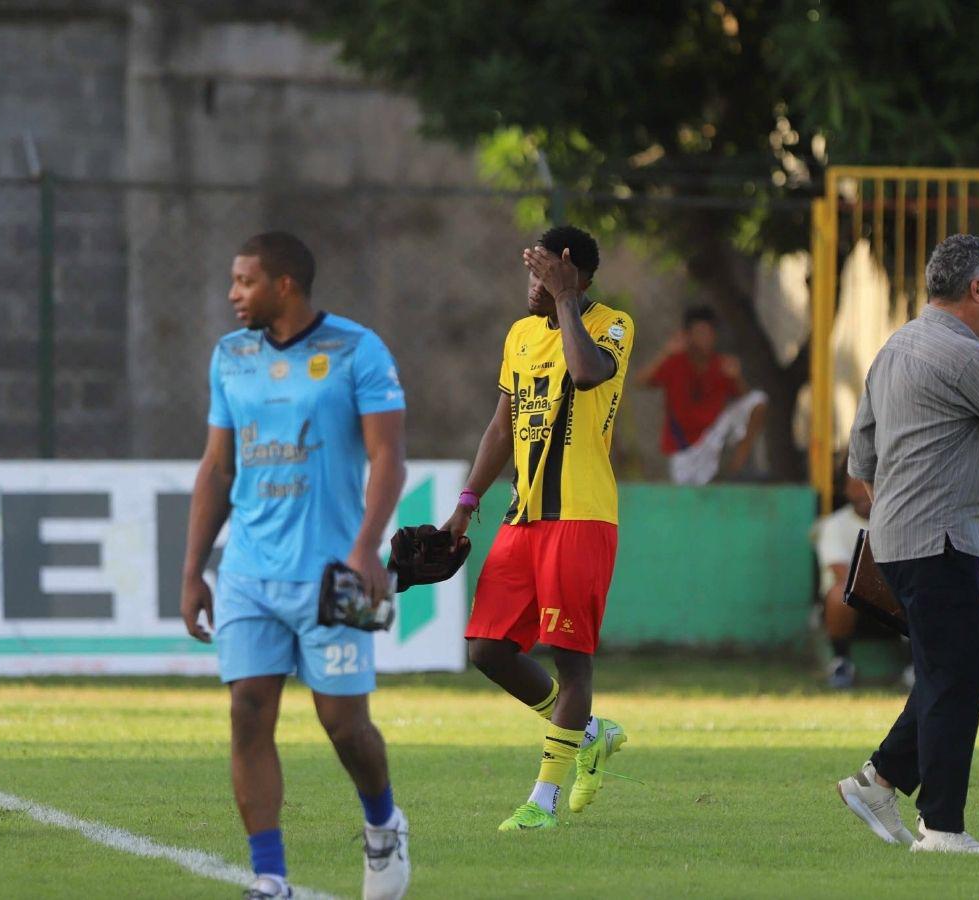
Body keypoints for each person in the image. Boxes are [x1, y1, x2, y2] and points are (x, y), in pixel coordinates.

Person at [179, 232, 409, 900]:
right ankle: (269, 877)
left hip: (336, 572)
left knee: (344, 725)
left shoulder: (357, 351)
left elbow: (389, 457)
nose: (232, 294)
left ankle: (383, 823)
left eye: (244, 281)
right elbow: (218, 467)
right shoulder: (230, 356)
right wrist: (195, 569)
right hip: (249, 570)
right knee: (248, 712)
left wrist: (367, 546)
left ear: (284, 285)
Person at [837, 235, 979, 855]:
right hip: (939, 541)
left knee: (956, 665)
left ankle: (879, 781)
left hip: (899, 539)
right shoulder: (966, 355)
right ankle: (942, 827)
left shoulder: (897, 344)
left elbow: (861, 450)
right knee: (958, 669)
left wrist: (896, 503)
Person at [441, 225, 632, 831]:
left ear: (573, 274)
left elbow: (584, 374)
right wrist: (467, 504)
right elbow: (502, 428)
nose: (533, 284)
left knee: (572, 662)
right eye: (532, 272)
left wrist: (567, 298)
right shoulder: (521, 334)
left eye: (545, 272)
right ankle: (588, 731)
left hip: (581, 517)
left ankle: (543, 802)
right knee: (487, 648)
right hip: (523, 518)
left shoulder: (613, 325)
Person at [637, 306, 767, 484]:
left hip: (713, 437)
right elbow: (641, 382)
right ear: (688, 336)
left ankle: (735, 467)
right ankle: (712, 475)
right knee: (689, 493)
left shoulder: (721, 365)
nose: (705, 339)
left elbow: (745, 400)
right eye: (700, 333)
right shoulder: (675, 362)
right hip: (683, 447)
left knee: (758, 400)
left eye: (709, 333)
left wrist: (737, 378)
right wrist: (664, 353)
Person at [811, 470, 872, 689]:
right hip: (857, 604)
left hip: (892, 600)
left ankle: (915, 666)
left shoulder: (895, 523)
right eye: (856, 486)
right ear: (846, 490)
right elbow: (842, 572)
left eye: (868, 486)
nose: (863, 493)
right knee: (840, 593)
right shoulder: (835, 524)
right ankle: (841, 661)